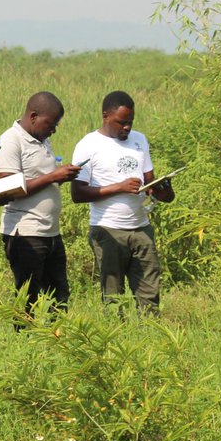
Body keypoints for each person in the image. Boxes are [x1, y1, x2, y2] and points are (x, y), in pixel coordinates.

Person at [71, 90, 175, 315]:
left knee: (149, 293)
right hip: (108, 230)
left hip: (141, 227)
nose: (127, 127)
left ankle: (149, 336)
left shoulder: (139, 139)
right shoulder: (88, 145)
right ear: (105, 116)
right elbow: (77, 193)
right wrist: (118, 187)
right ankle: (116, 341)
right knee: (113, 296)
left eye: (130, 122)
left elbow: (149, 182)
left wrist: (162, 191)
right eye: (121, 122)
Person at [0, 92, 81, 319]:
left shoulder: (42, 139)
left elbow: (41, 179)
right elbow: (7, 188)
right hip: (25, 232)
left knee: (58, 295)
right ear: (33, 116)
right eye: (50, 124)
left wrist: (60, 176)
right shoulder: (11, 140)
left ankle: (57, 342)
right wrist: (53, 177)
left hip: (50, 232)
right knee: (29, 298)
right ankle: (23, 346)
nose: (53, 130)